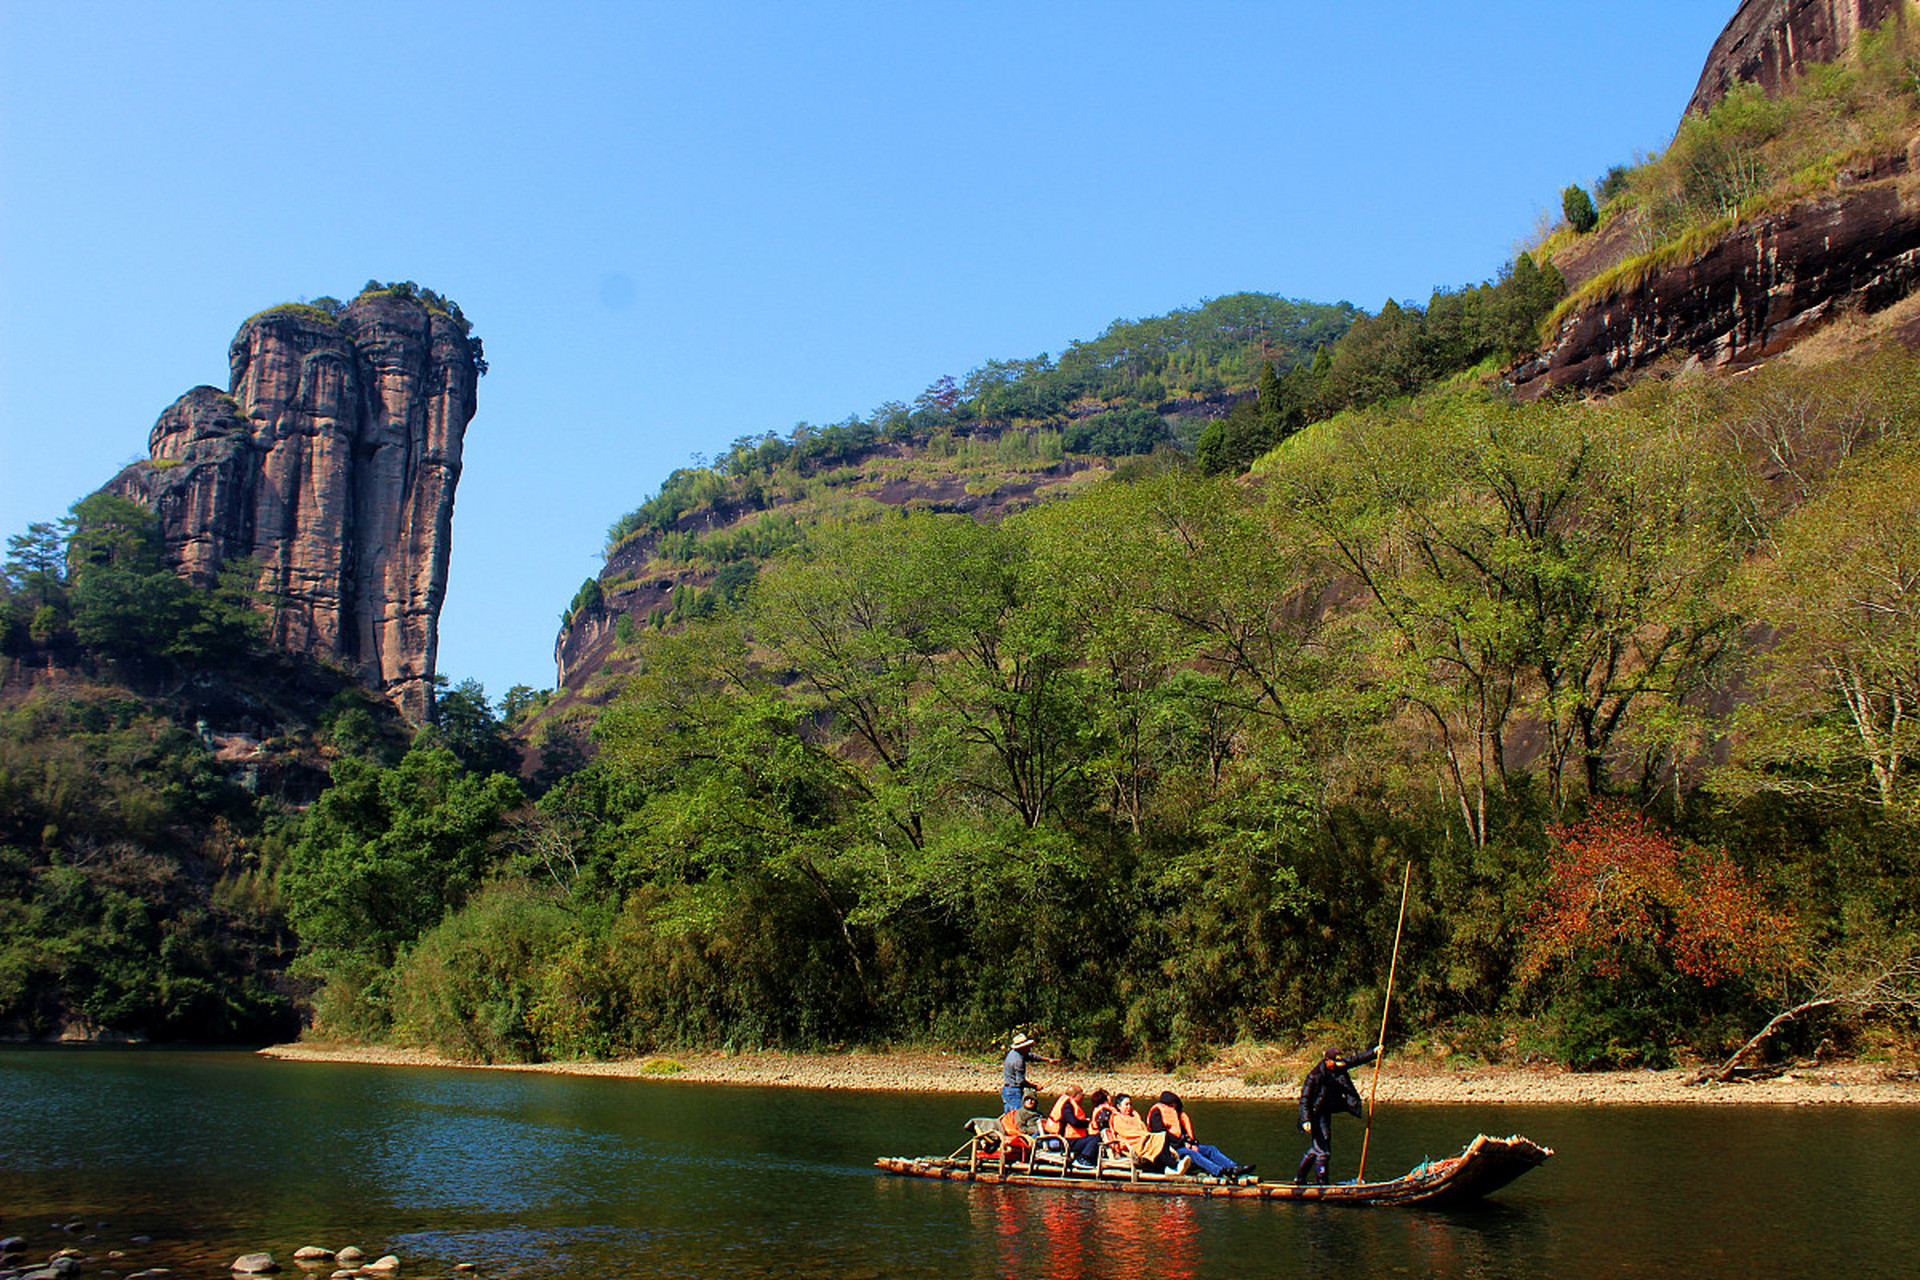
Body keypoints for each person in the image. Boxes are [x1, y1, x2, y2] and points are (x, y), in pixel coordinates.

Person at [1295, 1043, 1381, 1185]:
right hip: (1315, 1114)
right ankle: (1323, 1185)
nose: (1338, 1065)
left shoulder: (1339, 1066)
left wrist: (1373, 1052)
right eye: (1334, 1062)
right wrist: (1306, 1120)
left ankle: (1299, 1179)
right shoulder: (1314, 1076)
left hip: (1327, 1109)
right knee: (1323, 1150)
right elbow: (1305, 1100)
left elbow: (1356, 1060)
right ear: (1327, 1060)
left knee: (1318, 1147)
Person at [1147, 1090, 1253, 1180]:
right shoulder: (1157, 1112)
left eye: (1176, 1103)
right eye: (1173, 1103)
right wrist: (1182, 1143)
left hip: (1183, 1145)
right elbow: (1161, 1134)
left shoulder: (1177, 1114)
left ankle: (1234, 1167)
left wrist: (1192, 1142)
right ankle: (1219, 1171)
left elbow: (1184, 1132)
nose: (1175, 1106)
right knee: (1192, 1154)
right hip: (1170, 1149)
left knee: (1211, 1149)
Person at [1103, 1093, 1174, 1171]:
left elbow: (1143, 1129)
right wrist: (1144, 1135)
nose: (1129, 1107)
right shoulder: (1117, 1118)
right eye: (1126, 1105)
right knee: (1158, 1139)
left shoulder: (1134, 1117)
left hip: (1141, 1139)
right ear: (1119, 1106)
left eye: (1130, 1105)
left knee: (1163, 1136)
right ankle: (1173, 1165)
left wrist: (1144, 1134)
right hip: (1132, 1143)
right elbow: (1127, 1133)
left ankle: (1169, 1164)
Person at [1001, 1032, 1052, 1115]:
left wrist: (1047, 1059)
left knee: (1009, 1115)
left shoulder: (1014, 1053)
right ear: (1022, 1047)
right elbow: (1020, 1081)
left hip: (1007, 1091)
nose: (1029, 1048)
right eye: (1027, 1046)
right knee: (1019, 1115)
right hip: (1013, 1091)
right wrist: (1035, 1086)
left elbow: (1031, 1056)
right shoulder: (1018, 1061)